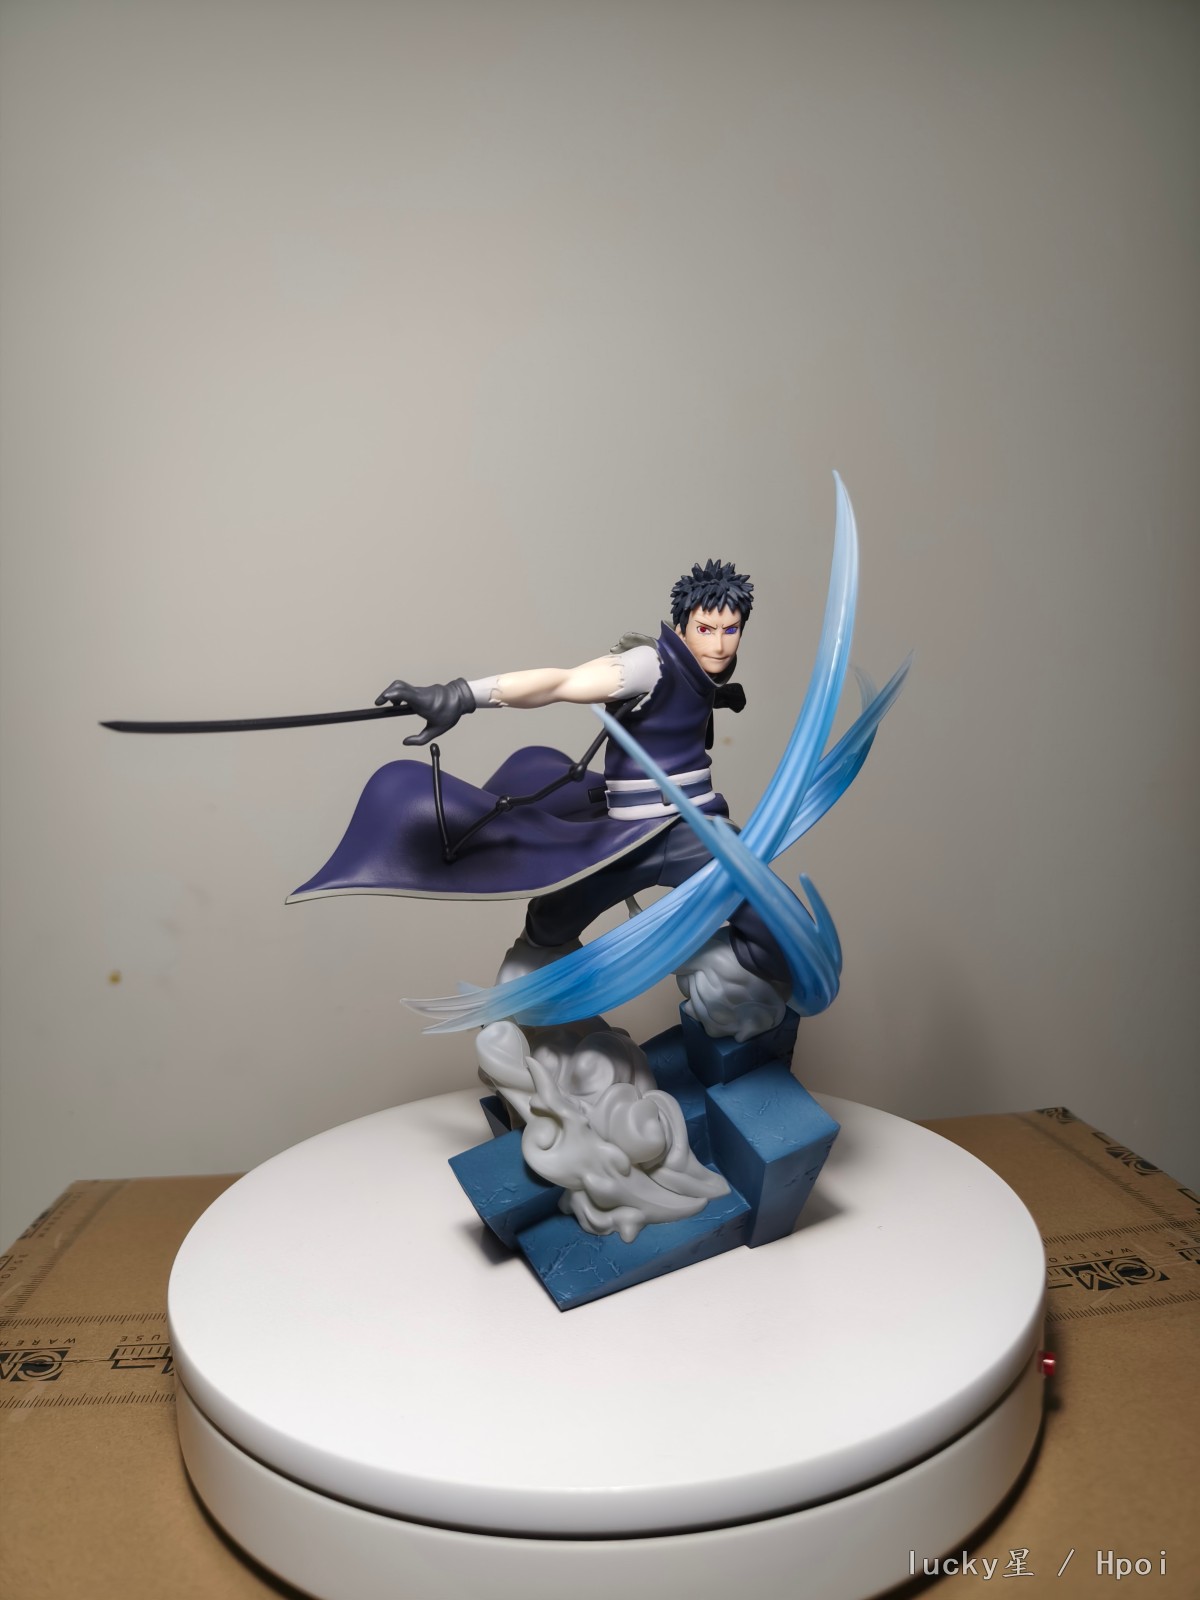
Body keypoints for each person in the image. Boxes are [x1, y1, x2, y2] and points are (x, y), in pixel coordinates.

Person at [288, 559, 786, 986]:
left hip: (699, 831)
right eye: (706, 629)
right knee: (547, 930)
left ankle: (732, 998)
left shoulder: (703, 675)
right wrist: (461, 695)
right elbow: (559, 683)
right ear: (682, 627)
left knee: (780, 933)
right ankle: (532, 1015)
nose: (720, 645)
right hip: (633, 836)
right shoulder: (648, 665)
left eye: (731, 630)